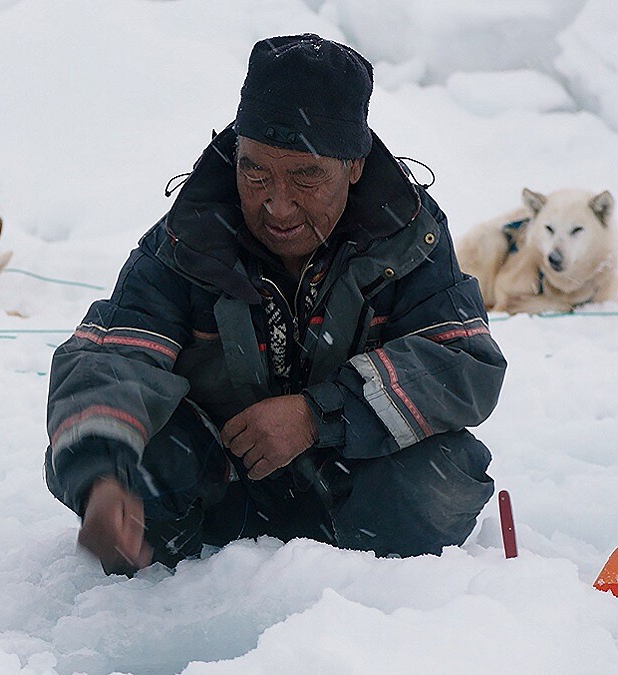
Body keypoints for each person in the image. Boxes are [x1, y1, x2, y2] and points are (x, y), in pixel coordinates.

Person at [44, 34, 506, 575]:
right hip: (218, 492)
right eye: (254, 171)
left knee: (437, 483)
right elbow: (113, 358)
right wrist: (102, 476)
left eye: (306, 175)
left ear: (354, 166)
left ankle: (360, 607)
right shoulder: (187, 238)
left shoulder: (407, 235)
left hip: (351, 482)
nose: (276, 203)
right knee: (131, 463)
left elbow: (463, 364)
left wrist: (320, 414)